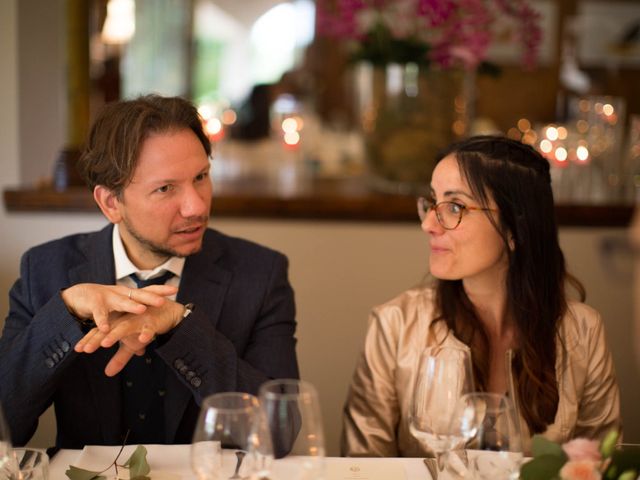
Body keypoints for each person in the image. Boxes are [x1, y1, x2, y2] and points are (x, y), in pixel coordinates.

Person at [0, 95, 299, 448]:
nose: (196, 205)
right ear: (111, 202)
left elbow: (277, 436)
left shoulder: (260, 274)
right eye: (165, 188)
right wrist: (65, 314)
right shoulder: (45, 271)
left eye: (201, 176)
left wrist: (180, 328)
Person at [342, 135, 621, 456]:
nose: (429, 224)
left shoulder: (583, 332)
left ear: (516, 229)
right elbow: (360, 466)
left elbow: (599, 466)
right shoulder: (396, 326)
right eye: (432, 203)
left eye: (455, 206)